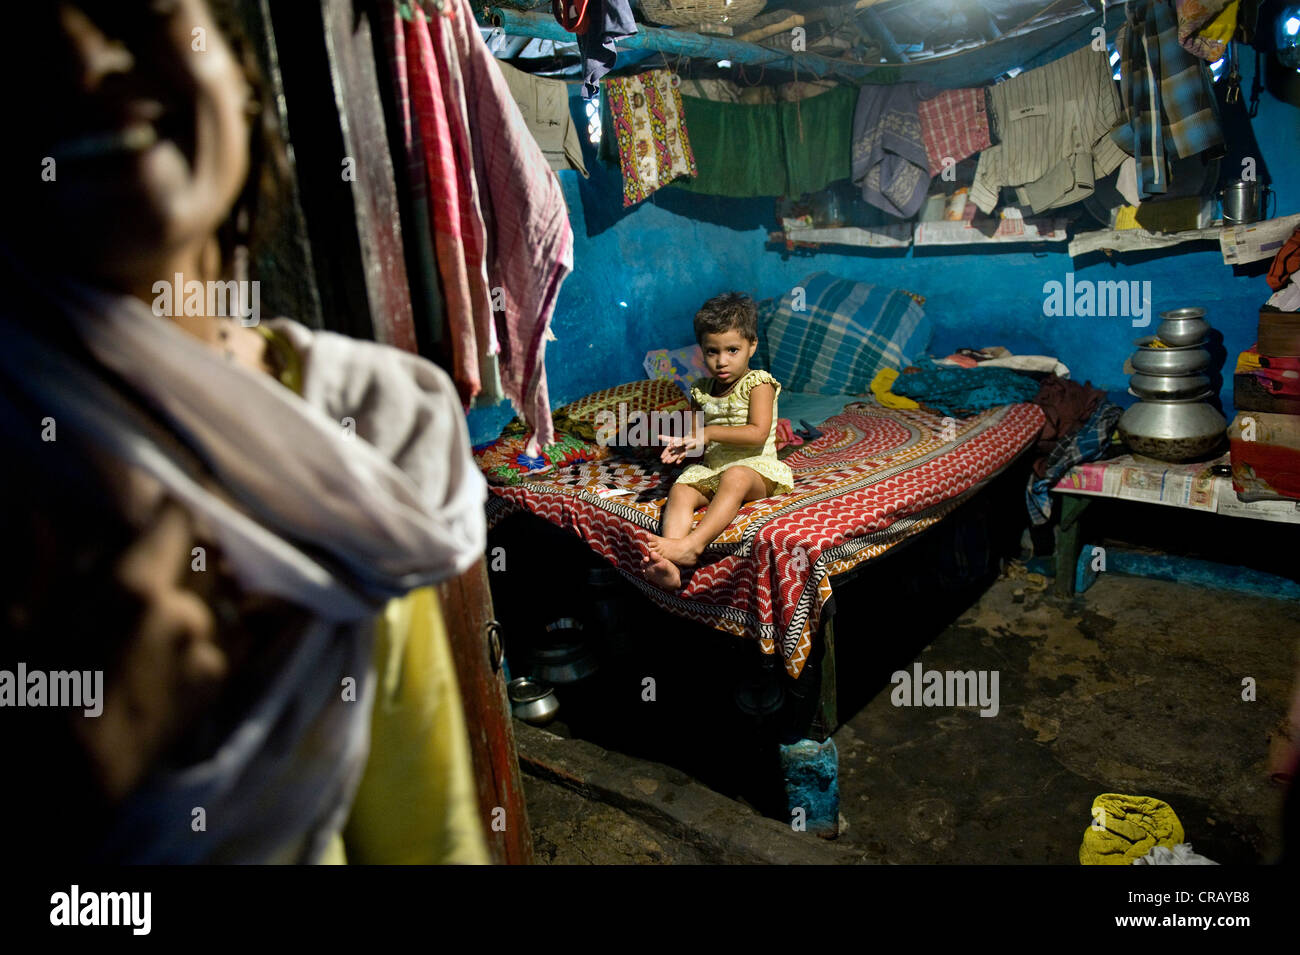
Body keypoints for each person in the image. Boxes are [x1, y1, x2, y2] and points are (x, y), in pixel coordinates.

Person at [0, 0, 488, 863]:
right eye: (23, 40)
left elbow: (428, 834)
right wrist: (81, 779)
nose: (82, 57)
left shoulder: (358, 427)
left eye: (135, 15)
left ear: (240, 94)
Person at [640, 293, 795, 592]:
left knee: (735, 477)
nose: (721, 361)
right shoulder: (700, 390)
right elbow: (698, 433)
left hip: (755, 470)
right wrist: (684, 444)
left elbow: (758, 433)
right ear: (702, 350)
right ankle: (670, 564)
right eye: (712, 351)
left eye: (733, 350)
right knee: (682, 488)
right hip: (715, 470)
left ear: (752, 346)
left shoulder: (758, 383)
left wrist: (709, 434)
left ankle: (693, 545)